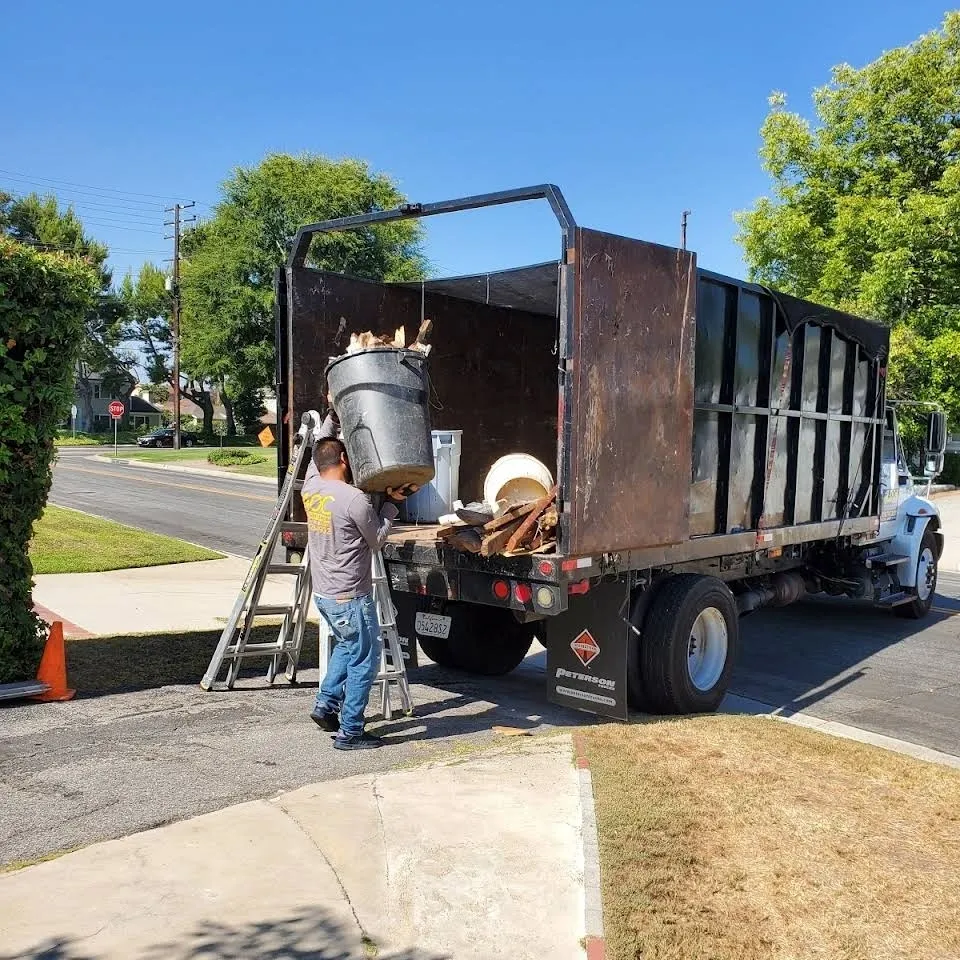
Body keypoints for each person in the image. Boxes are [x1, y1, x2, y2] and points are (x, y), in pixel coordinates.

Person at [301, 404, 416, 750]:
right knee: (365, 659)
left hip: (324, 593)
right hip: (350, 596)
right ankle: (350, 731)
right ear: (345, 462)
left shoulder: (310, 486)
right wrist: (392, 505)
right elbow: (377, 540)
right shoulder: (354, 499)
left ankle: (325, 705)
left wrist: (332, 418)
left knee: (347, 647)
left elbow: (320, 443)